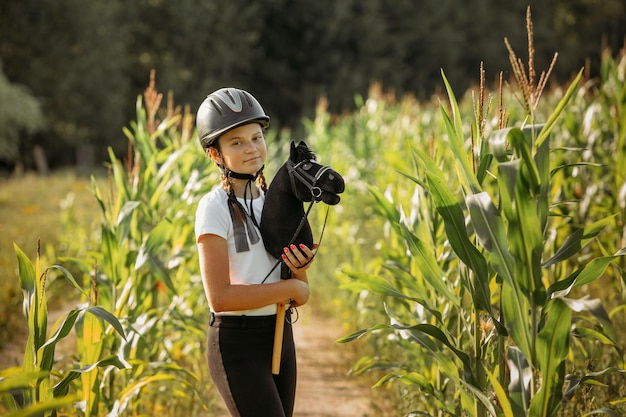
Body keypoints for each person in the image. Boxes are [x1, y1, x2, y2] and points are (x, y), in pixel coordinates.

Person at [194, 87, 315, 417]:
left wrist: (299, 271)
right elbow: (219, 297)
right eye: (236, 142)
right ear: (215, 154)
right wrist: (290, 287)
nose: (251, 148)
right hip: (237, 344)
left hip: (278, 333)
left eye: (256, 137)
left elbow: (301, 294)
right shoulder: (213, 208)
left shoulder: (276, 202)